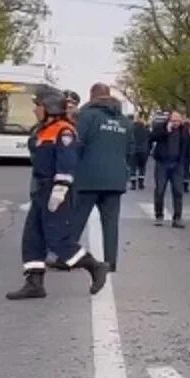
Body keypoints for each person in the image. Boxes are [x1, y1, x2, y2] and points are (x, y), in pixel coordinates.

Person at [5, 89, 109, 300]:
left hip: (55, 190)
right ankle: (34, 283)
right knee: (32, 237)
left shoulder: (64, 131)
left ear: (49, 107)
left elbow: (67, 163)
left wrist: (60, 190)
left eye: (38, 106)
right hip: (41, 189)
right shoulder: (43, 129)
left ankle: (95, 266)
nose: (35, 109)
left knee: (58, 240)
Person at [66, 83, 132, 272]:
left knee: (77, 220)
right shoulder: (125, 122)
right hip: (115, 179)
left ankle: (67, 256)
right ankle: (110, 262)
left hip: (88, 178)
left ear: (92, 96)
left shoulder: (87, 116)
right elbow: (131, 149)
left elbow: (77, 144)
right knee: (111, 224)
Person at [149, 110, 190, 228]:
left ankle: (177, 218)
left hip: (177, 165)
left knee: (178, 192)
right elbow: (152, 138)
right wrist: (166, 131)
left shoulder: (184, 130)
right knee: (159, 190)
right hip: (162, 164)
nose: (176, 123)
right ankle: (159, 215)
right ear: (169, 120)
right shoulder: (161, 127)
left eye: (178, 121)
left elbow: (188, 147)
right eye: (173, 121)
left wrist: (187, 164)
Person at [129, 112, 151, 190]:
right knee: (142, 167)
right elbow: (150, 140)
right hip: (143, 151)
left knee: (133, 168)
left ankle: (133, 184)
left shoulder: (131, 129)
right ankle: (141, 183)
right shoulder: (146, 130)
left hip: (133, 150)